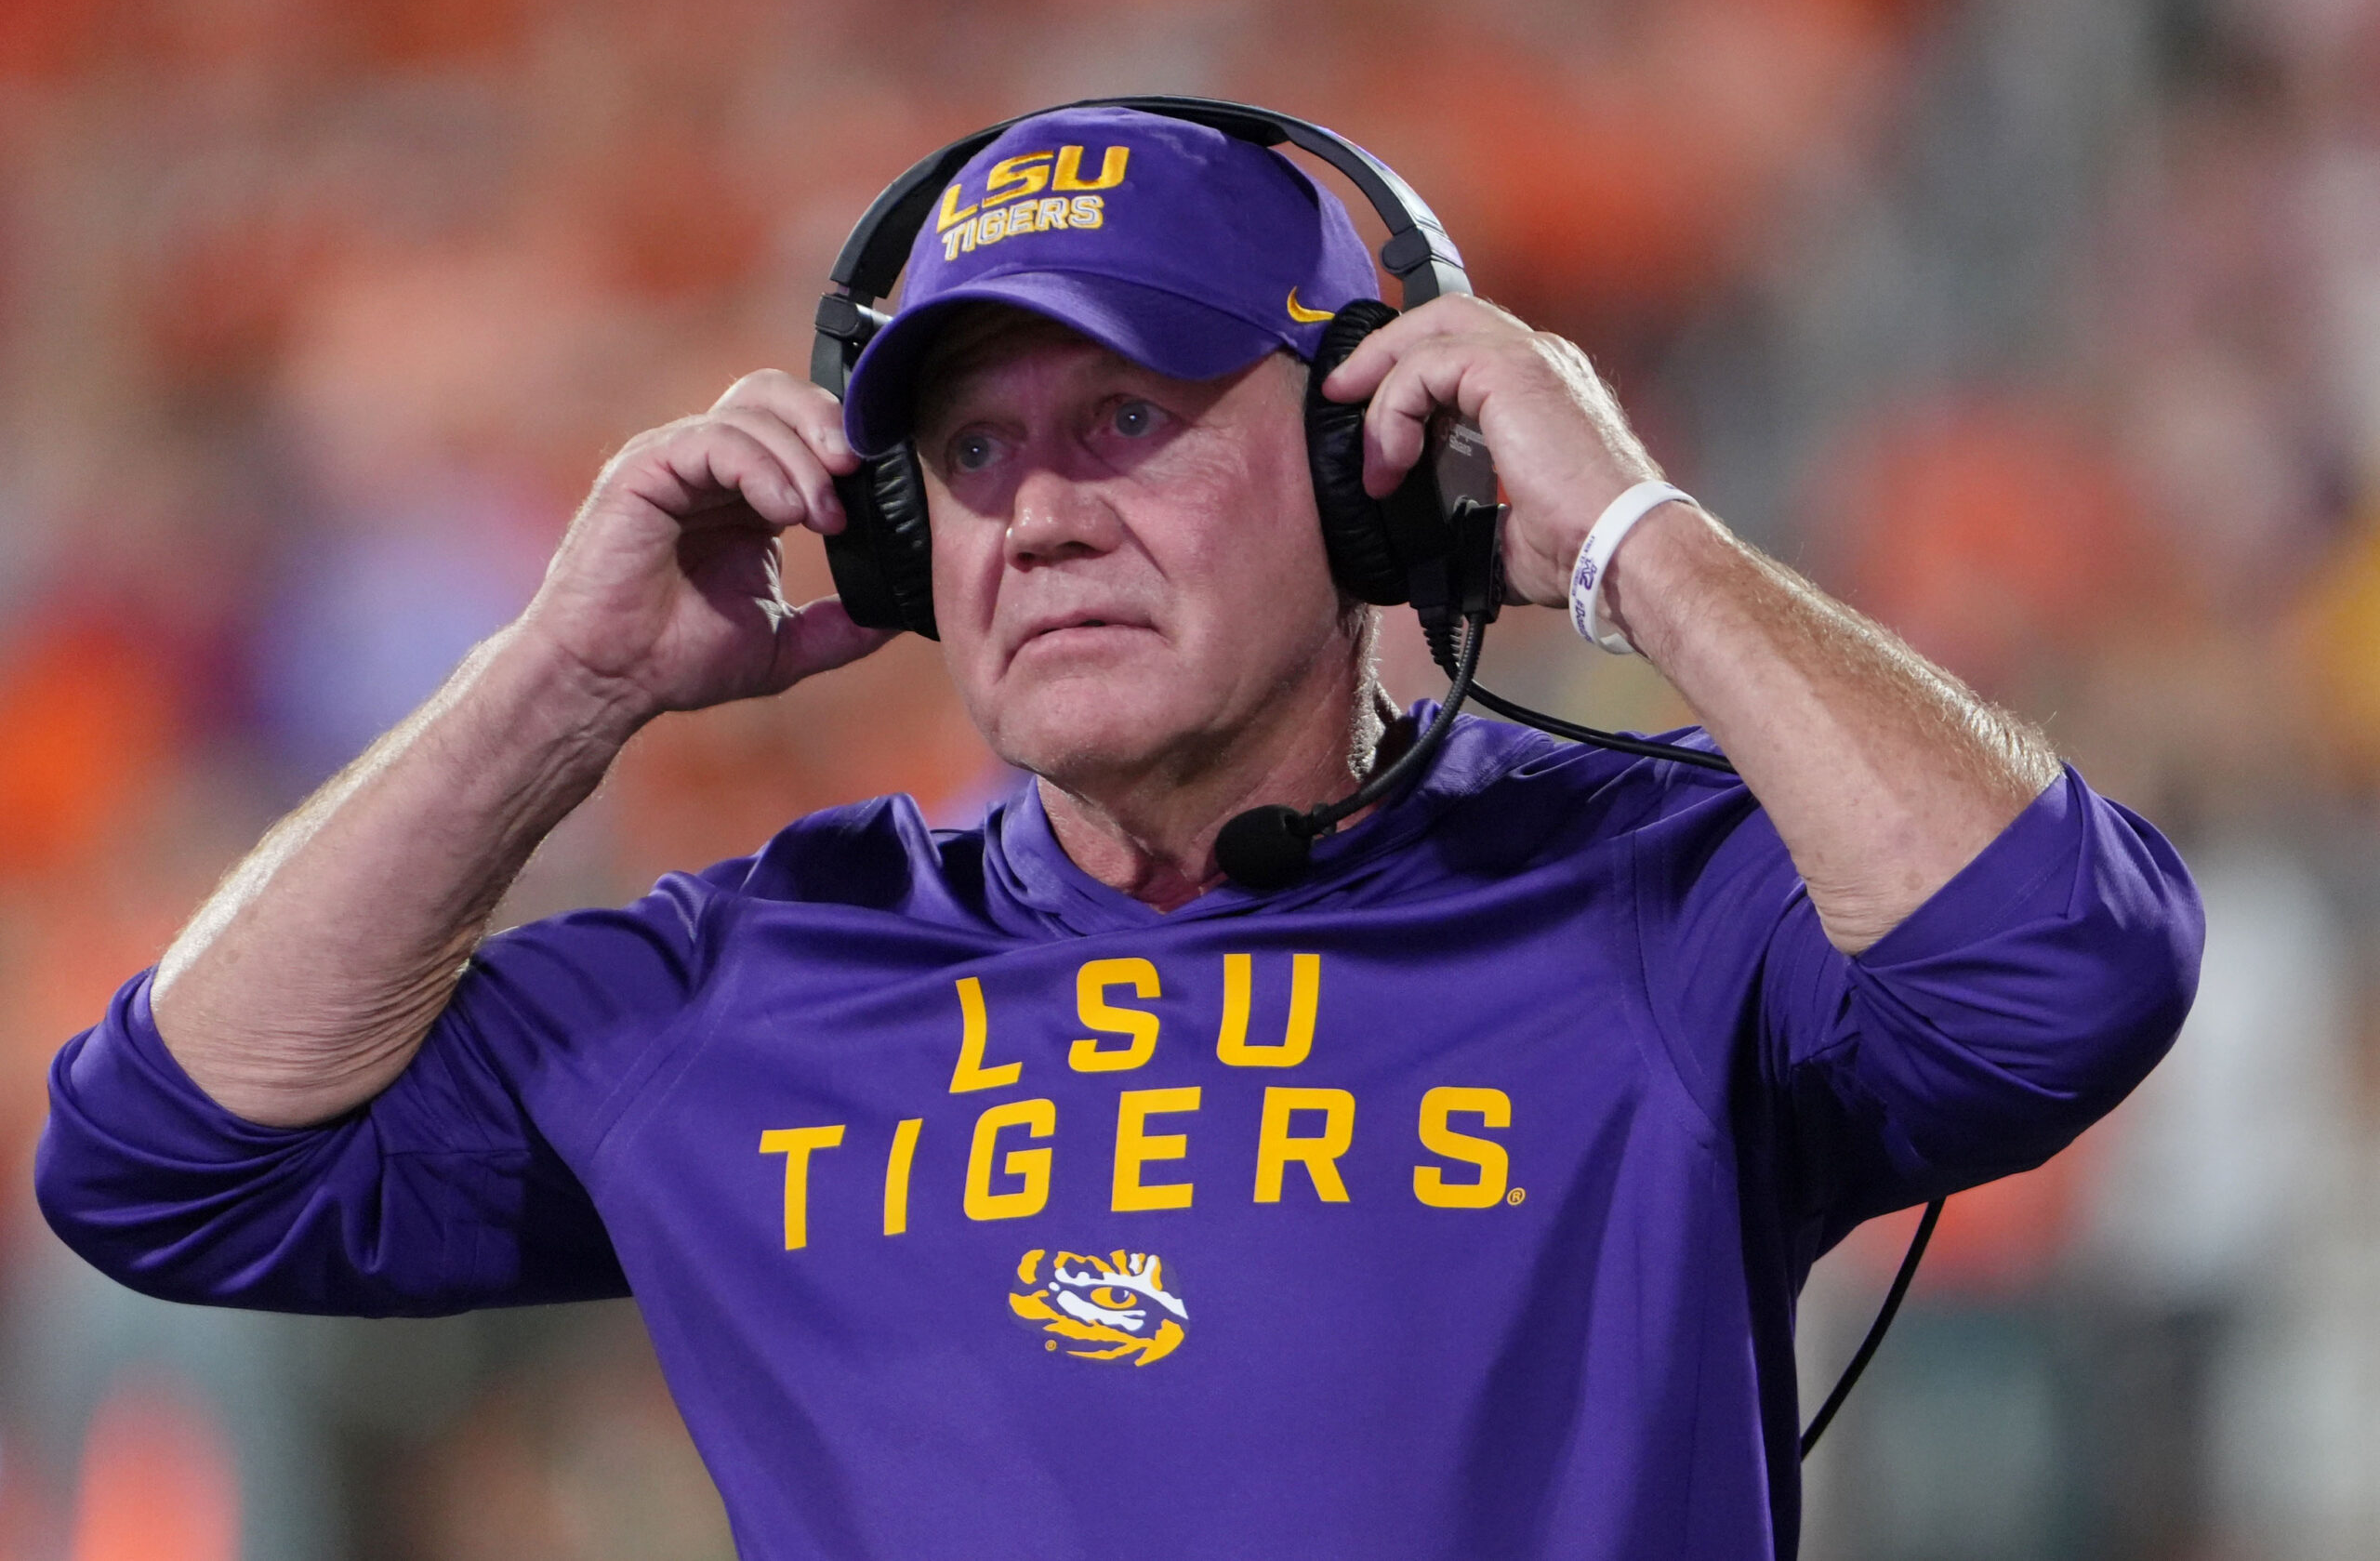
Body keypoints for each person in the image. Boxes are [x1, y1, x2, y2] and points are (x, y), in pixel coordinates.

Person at [35, 104, 2201, 1560]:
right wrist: (559, 686)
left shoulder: (1645, 894)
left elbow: (2064, 970)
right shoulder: (751, 977)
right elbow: (163, 1157)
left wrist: (1636, 537)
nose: (1040, 512)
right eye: (968, 452)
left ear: (1374, 465)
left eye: (1128, 416)